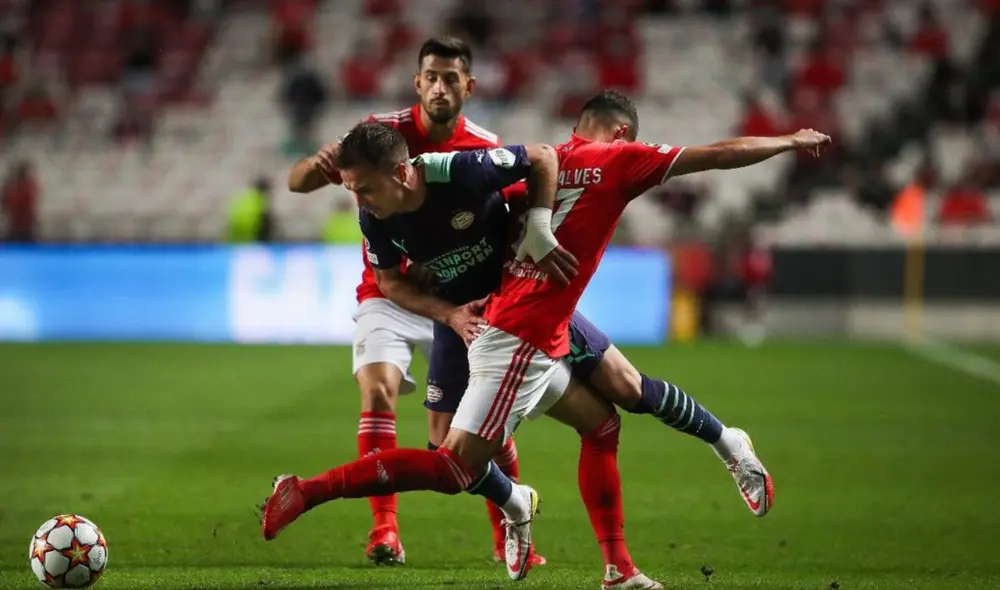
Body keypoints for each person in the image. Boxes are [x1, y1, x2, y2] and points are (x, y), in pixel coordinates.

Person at [264, 91, 831, 588]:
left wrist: (786, 141)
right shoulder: (543, 168)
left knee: (592, 412)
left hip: (523, 326)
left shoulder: (579, 161)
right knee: (553, 432)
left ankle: (681, 494)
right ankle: (566, 531)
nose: (357, 199)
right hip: (494, 320)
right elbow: (706, 153)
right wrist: (788, 141)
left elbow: (699, 155)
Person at [287, 36, 531, 567]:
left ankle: (507, 533)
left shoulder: (481, 146)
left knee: (478, 426)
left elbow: (516, 200)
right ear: (417, 82)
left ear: (469, 85)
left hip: (460, 297)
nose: (439, 86)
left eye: (451, 77)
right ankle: (385, 532)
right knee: (377, 393)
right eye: (430, 76)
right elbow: (298, 182)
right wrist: (318, 163)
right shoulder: (379, 135)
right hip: (389, 291)